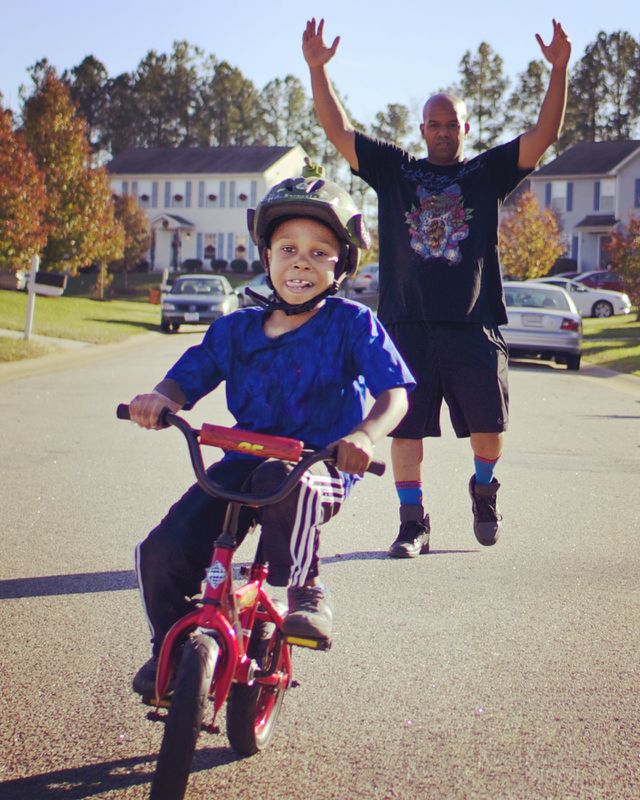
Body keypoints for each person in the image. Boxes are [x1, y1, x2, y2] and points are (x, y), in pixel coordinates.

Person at [127, 165, 415, 695]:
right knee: (160, 551)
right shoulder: (236, 328)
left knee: (286, 484)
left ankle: (304, 588)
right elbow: (186, 380)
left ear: (343, 265)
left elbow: (395, 394)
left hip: (319, 462)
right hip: (242, 461)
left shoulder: (352, 324)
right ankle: (168, 646)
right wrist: (158, 400)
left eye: (318, 252)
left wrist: (366, 437)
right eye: (287, 249)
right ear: (266, 257)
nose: (300, 262)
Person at [302, 18, 571, 557]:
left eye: (452, 123)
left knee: (489, 431)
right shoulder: (397, 171)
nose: (443, 131)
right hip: (407, 323)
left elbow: (544, 136)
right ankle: (412, 522)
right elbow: (338, 131)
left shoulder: (486, 172)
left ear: (465, 129)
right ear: (422, 129)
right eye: (434, 124)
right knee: (406, 432)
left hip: (474, 323)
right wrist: (317, 69)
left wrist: (558, 70)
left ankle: (483, 487)